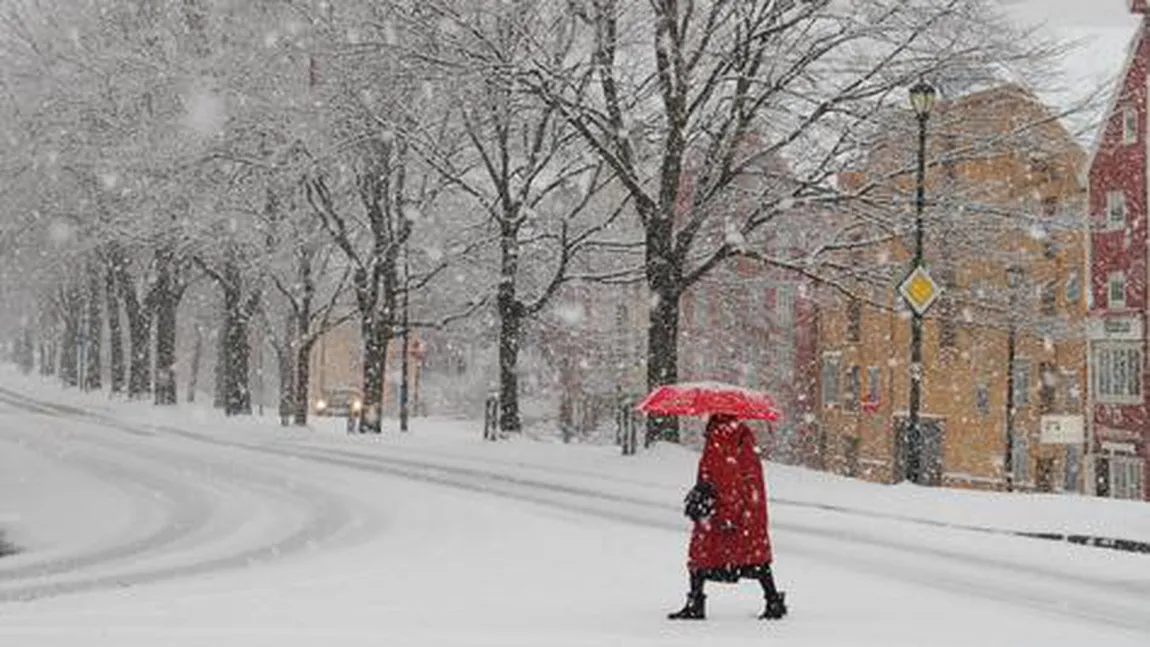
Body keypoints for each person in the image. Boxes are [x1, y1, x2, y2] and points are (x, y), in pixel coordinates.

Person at [668, 413, 787, 621]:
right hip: (748, 510)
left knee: (702, 555)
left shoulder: (720, 437)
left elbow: (726, 478)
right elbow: (744, 476)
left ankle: (696, 602)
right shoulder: (743, 437)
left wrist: (727, 514)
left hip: (722, 511)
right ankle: (773, 600)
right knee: (754, 557)